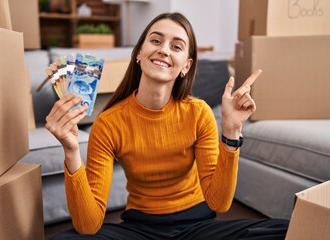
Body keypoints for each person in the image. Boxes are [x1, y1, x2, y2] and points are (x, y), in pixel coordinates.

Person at [46, 12, 289, 240]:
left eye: (176, 46)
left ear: (186, 65)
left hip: (197, 226)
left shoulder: (198, 112)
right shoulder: (109, 123)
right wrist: (71, 151)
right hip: (140, 229)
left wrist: (231, 131)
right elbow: (88, 226)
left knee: (285, 230)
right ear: (139, 54)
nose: (163, 50)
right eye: (155, 41)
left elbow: (219, 203)